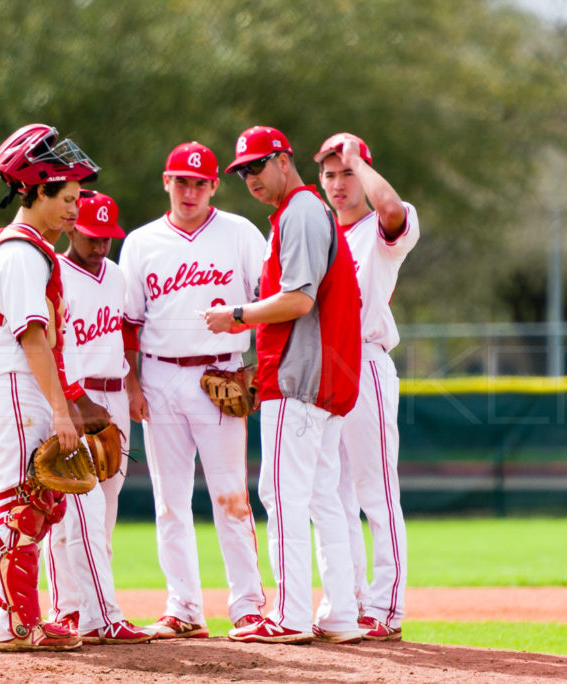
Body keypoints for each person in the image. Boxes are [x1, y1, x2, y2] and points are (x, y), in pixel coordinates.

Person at [205, 125, 363, 644]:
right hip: (318, 377)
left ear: (283, 159)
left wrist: (237, 316)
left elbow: (299, 300)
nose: (250, 177)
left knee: (282, 495)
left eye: (257, 165)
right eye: (243, 170)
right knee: (321, 497)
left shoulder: (298, 211)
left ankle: (291, 615)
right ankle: (340, 613)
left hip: (298, 382)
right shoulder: (302, 212)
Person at [119, 141, 267, 639]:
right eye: (181, 180)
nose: (190, 190)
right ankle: (183, 606)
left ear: (213, 187)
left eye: (199, 182)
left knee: (232, 498)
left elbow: (270, 303)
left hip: (221, 373)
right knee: (169, 500)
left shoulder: (240, 233)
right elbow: (129, 324)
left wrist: (258, 367)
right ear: (166, 182)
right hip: (160, 376)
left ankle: (247, 605)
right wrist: (134, 384)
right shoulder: (140, 242)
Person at [0, 123, 99, 652]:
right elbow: (32, 338)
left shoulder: (23, 249)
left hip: (20, 386)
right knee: (23, 503)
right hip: (19, 386)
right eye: (66, 197)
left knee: (38, 500)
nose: (75, 209)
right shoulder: (23, 254)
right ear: (37, 190)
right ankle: (17, 623)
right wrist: (61, 411)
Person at [313, 133, 419, 641]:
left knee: (374, 491)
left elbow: (393, 205)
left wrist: (359, 159)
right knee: (331, 492)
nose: (338, 182)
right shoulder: (321, 236)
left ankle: (386, 606)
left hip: (366, 361)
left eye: (348, 172)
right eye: (330, 173)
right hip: (322, 370)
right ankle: (349, 600)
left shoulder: (382, 228)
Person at [43, 190, 154, 645]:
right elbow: (50, 345)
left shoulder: (117, 275)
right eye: (93, 235)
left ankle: (84, 610)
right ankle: (75, 609)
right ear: (71, 227)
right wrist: (69, 404)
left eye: (109, 236)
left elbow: (126, 332)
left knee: (101, 517)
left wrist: (131, 386)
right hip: (76, 401)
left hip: (113, 399)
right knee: (72, 513)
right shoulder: (54, 273)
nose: (102, 244)